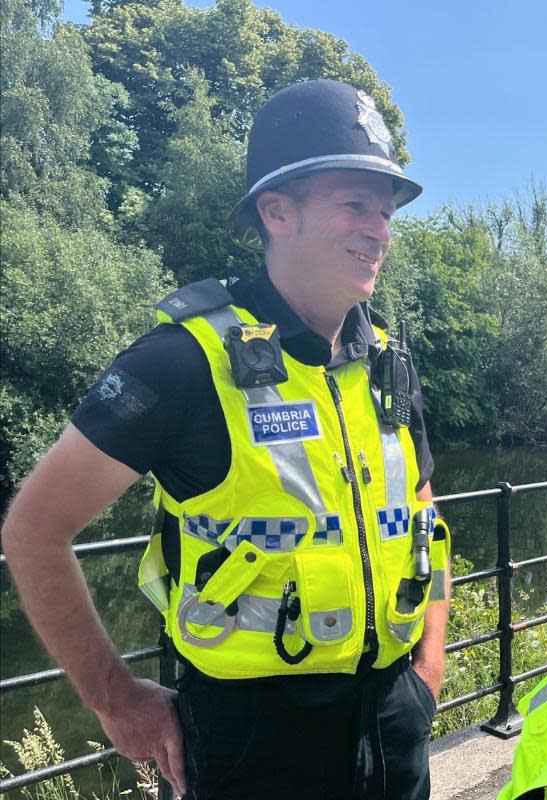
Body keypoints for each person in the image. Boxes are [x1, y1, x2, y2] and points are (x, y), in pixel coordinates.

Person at [2, 79, 451, 800]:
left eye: (386, 211)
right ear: (277, 211)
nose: (380, 230)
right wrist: (115, 699)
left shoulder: (388, 364)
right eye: (354, 205)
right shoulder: (183, 361)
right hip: (254, 741)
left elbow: (427, 518)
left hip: (394, 722)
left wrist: (427, 671)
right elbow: (34, 528)